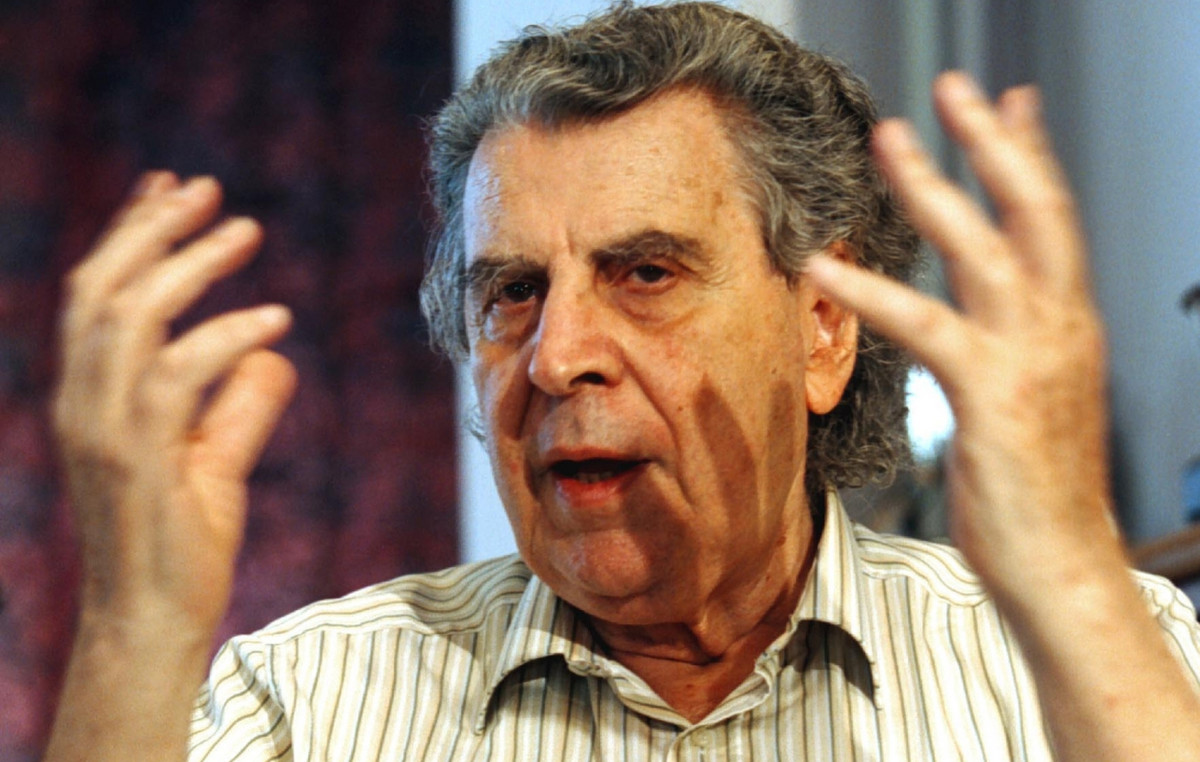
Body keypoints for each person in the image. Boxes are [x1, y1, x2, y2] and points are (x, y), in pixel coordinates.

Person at [42, 2, 1200, 760]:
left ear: (822, 328)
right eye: (512, 291)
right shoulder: (309, 698)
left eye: (646, 273)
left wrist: (1068, 579)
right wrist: (137, 626)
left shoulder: (1092, 652)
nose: (556, 358)